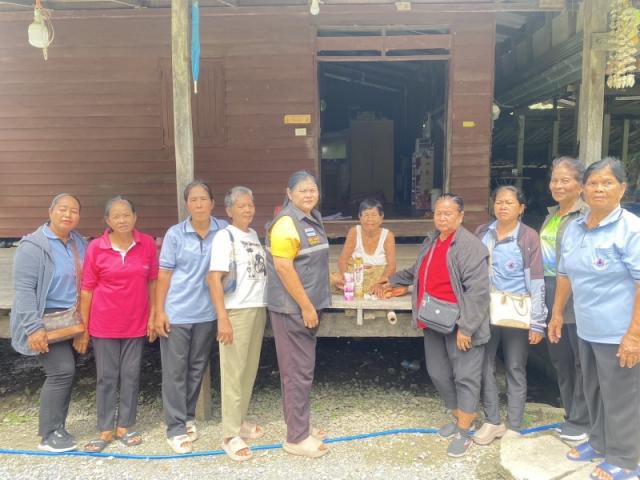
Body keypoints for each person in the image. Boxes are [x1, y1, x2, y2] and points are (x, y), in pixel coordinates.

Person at [549, 157, 640, 480]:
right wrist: (557, 313)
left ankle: (626, 458)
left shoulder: (631, 229)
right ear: (583, 189)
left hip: (618, 332)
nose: (599, 189)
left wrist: (634, 335)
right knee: (594, 391)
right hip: (586, 328)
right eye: (593, 183)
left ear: (622, 189)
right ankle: (599, 442)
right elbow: (564, 274)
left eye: (607, 183)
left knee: (621, 396)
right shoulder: (574, 227)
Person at [384, 193, 490, 457]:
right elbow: (418, 270)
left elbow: (478, 292)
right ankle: (459, 418)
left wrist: (467, 327)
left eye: (448, 213)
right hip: (433, 318)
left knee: (465, 376)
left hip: (459, 323)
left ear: (460, 216)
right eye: (438, 213)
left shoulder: (470, 246)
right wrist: (392, 280)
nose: (442, 218)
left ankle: (465, 431)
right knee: (438, 373)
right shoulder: (432, 239)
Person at [79, 196, 159, 452]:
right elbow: (87, 289)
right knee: (106, 377)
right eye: (116, 216)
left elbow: (153, 281)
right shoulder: (96, 247)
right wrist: (83, 328)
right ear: (107, 220)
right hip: (104, 324)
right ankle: (105, 428)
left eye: (126, 215)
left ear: (135, 217)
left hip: (136, 322)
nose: (122, 220)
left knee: (131, 375)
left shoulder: (147, 244)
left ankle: (124, 425)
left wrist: (154, 315)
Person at [10, 194, 87, 452]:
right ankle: (49, 433)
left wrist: (85, 325)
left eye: (74, 211)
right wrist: (33, 328)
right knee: (61, 371)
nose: (68, 215)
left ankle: (59, 427)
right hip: (44, 318)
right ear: (51, 211)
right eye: (63, 209)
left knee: (68, 372)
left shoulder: (79, 243)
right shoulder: (33, 246)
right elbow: (24, 290)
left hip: (72, 317)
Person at [155, 180, 228, 454]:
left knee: (197, 367)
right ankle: (174, 428)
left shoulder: (223, 230)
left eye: (203, 199)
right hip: (177, 312)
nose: (198, 204)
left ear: (212, 203)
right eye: (193, 200)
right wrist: (159, 311)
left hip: (207, 312)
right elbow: (164, 275)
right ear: (187, 204)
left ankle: (187, 417)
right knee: (175, 371)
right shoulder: (175, 234)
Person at [473, 186, 547, 445]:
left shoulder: (527, 237)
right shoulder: (483, 232)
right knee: (485, 365)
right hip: (486, 311)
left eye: (509, 202)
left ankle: (514, 424)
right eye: (499, 202)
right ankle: (492, 420)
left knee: (515, 366)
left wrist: (537, 322)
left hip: (517, 312)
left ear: (521, 208)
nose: (503, 206)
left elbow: (536, 280)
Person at [265, 171, 331, 458]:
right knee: (296, 373)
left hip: (306, 307)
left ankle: (299, 425)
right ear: (289, 193)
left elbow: (310, 261)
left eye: (312, 189)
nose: (309, 194)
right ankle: (296, 438)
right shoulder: (286, 223)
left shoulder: (311, 218)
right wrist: (306, 306)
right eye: (302, 190)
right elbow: (283, 267)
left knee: (300, 371)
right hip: (292, 310)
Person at [208, 186, 267, 462]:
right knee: (232, 372)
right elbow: (214, 279)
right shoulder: (225, 236)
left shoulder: (253, 235)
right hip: (236, 311)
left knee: (248, 370)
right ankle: (229, 435)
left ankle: (239, 420)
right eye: (241, 205)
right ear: (229, 210)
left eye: (250, 205)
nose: (248, 209)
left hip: (257, 307)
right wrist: (223, 318)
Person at [540, 156, 589, 441]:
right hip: (549, 292)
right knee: (560, 359)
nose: (557, 185)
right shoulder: (552, 216)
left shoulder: (586, 217)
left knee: (580, 359)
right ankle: (571, 415)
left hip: (575, 294)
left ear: (580, 185)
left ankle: (582, 421)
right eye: (554, 180)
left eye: (565, 180)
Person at [336, 199, 396, 292]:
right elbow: (342, 261)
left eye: (374, 215)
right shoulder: (354, 232)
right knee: (332, 278)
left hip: (378, 280)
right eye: (366, 215)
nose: (370, 219)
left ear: (381, 217)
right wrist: (347, 280)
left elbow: (392, 267)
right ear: (360, 217)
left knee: (400, 286)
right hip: (355, 279)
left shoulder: (388, 235)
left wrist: (379, 284)